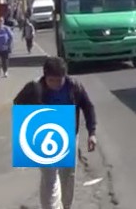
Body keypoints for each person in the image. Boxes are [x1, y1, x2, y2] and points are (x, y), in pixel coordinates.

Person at [13, 57, 97, 209]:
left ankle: (66, 205)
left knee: (68, 176)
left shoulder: (74, 86)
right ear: (45, 77)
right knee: (49, 178)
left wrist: (92, 133)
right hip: (44, 137)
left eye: (59, 80)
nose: (56, 84)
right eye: (52, 80)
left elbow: (88, 107)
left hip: (68, 136)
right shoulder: (35, 87)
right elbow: (18, 103)